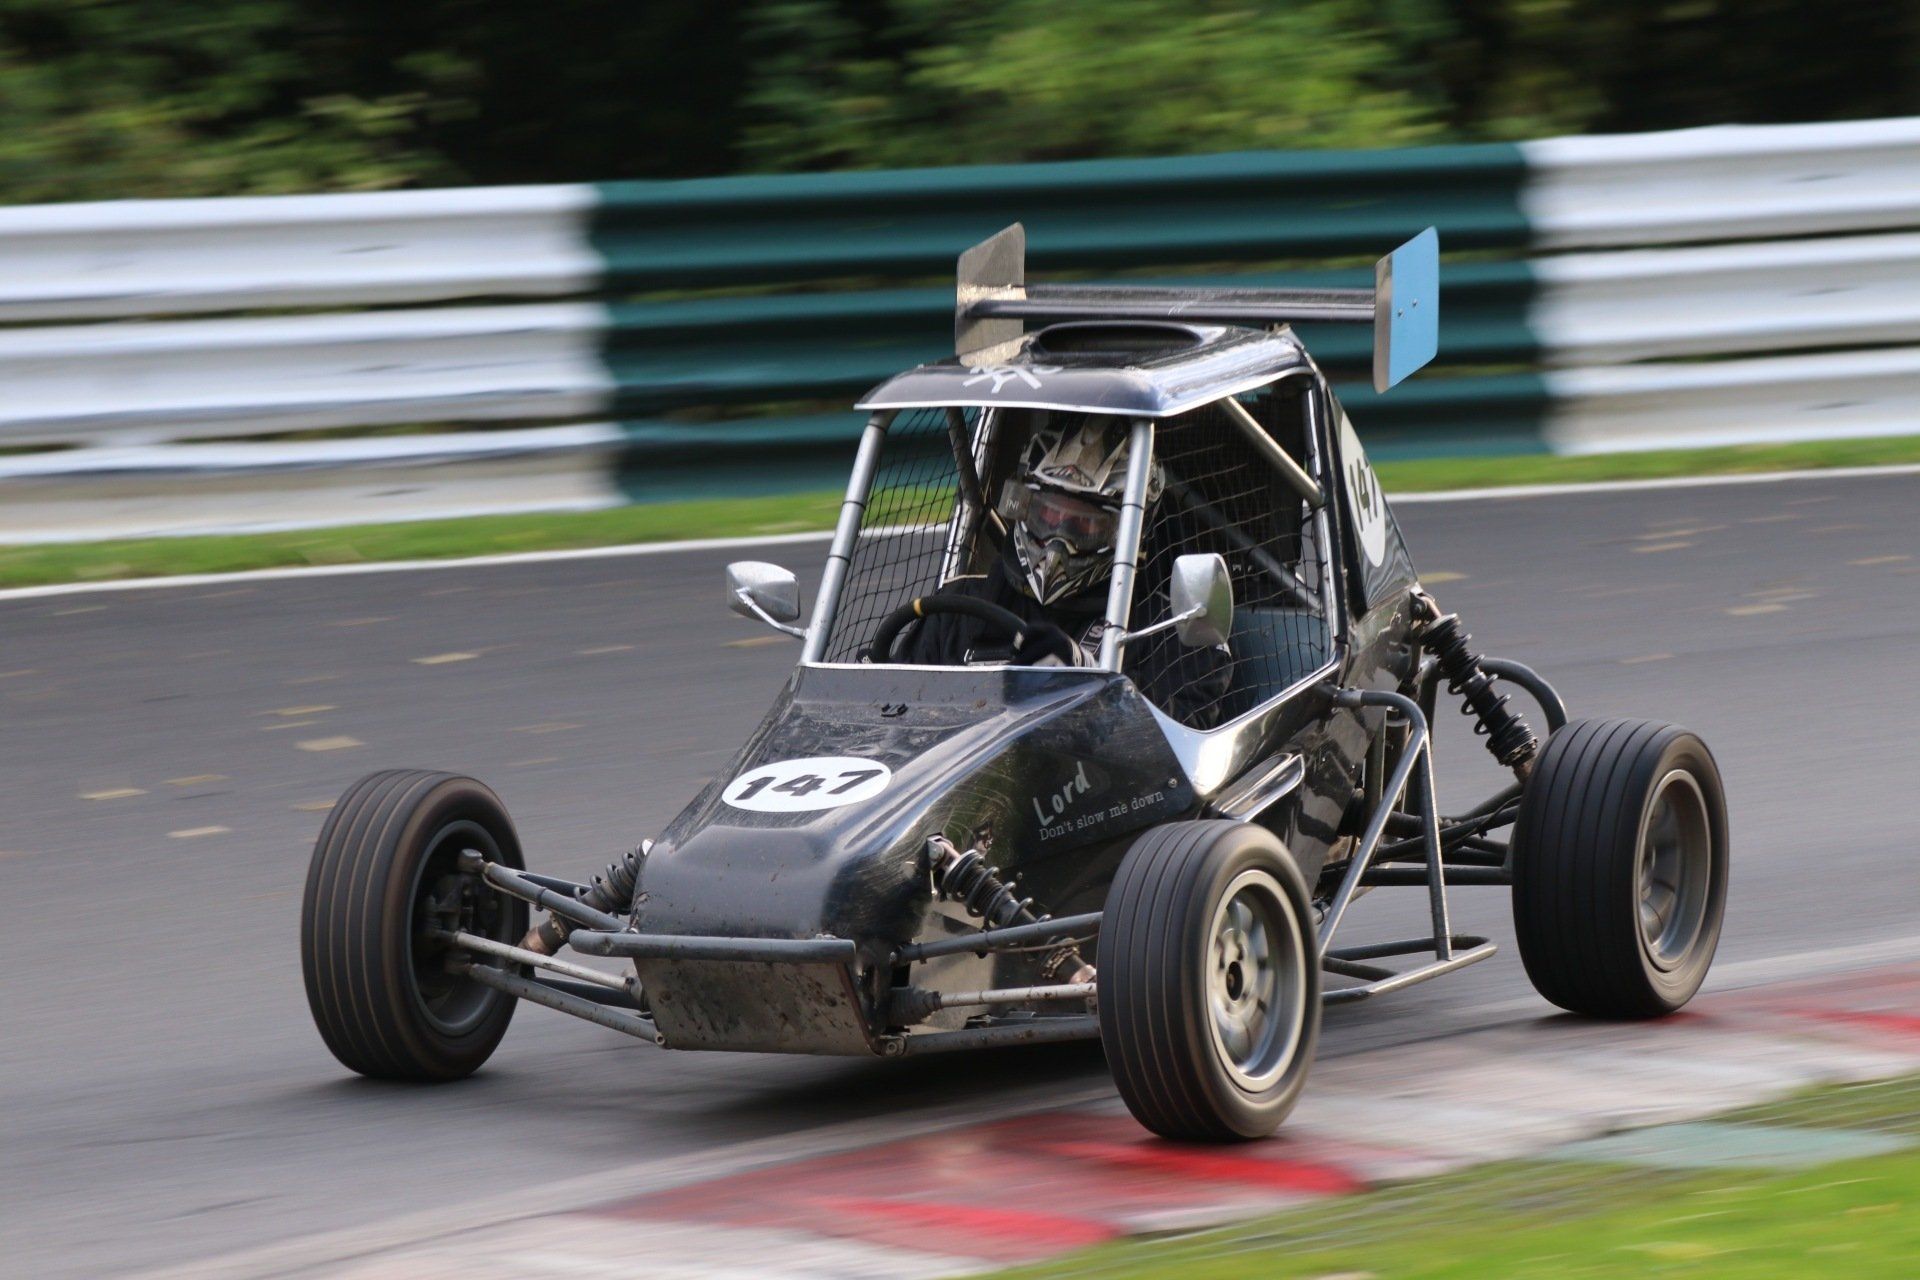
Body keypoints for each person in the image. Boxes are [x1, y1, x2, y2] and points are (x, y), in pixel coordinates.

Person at [896, 415, 1232, 724]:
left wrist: (1086, 676)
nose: (1058, 542)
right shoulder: (956, 607)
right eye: (1048, 515)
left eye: (1082, 524)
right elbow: (893, 720)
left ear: (1130, 531)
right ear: (1024, 507)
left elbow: (1182, 752)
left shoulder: (1173, 631)